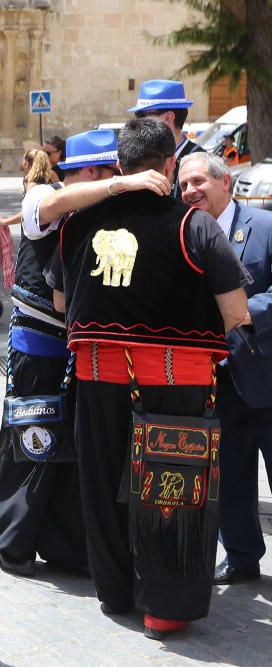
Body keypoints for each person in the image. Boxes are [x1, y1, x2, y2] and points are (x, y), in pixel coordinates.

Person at [52, 117, 250, 640]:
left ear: (119, 166)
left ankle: (115, 591)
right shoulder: (194, 225)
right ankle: (166, 604)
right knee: (173, 487)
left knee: (102, 484)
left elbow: (60, 302)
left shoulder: (78, 223)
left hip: (98, 377)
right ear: (169, 164)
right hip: (176, 381)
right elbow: (235, 312)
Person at [0, 133, 124, 578]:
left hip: (82, 350)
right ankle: (12, 540)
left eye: (110, 172)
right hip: (40, 345)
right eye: (96, 172)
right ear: (74, 173)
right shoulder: (44, 196)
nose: (104, 180)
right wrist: (118, 188)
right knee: (33, 440)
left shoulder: (105, 215)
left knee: (75, 452)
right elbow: (44, 213)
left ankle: (67, 546)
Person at [177, 152, 272, 586]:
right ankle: (241, 557)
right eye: (183, 186)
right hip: (214, 381)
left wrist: (241, 312)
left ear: (224, 182)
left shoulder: (264, 227)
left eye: (198, 181)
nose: (190, 191)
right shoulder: (183, 236)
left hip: (265, 376)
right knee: (229, 477)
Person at [129, 79, 205, 200]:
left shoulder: (201, 162)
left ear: (168, 117)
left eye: (143, 115)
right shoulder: (141, 157)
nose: (139, 122)